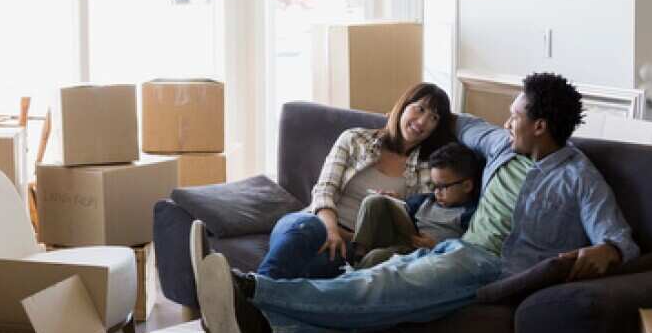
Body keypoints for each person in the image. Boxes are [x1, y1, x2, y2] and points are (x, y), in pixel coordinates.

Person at [196, 72, 640, 333]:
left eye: (515, 116)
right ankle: (262, 329)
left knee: (377, 284)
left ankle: (249, 289)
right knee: (376, 295)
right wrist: (416, 115)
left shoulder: (580, 178)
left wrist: (608, 249)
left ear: (539, 126)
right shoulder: (500, 145)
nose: (507, 123)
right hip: (455, 251)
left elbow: (620, 237)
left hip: (492, 266)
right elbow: (459, 120)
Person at [192, 83, 460, 286]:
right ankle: (246, 292)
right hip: (315, 221)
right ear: (404, 105)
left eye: (434, 118)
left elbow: (419, 222)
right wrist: (330, 229)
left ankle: (240, 292)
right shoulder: (354, 139)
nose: (423, 121)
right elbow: (325, 189)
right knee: (301, 229)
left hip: (354, 248)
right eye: (420, 108)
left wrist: (395, 208)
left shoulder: (429, 170)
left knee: (308, 270)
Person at [352, 142, 480, 268]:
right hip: (408, 238)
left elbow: (467, 250)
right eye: (434, 186)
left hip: (424, 255)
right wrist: (393, 200)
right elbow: (402, 211)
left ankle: (354, 275)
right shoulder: (425, 201)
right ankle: (358, 255)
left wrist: (436, 246)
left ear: (467, 186)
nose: (436, 192)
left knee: (375, 257)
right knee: (375, 200)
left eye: (443, 187)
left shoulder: (469, 214)